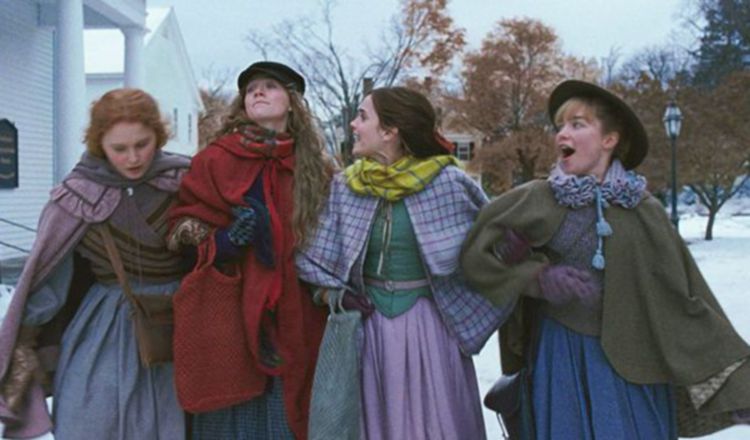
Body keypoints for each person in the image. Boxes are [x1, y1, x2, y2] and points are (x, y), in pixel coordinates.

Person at [460, 79, 750, 439]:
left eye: (577, 124)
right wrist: (537, 278)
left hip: (638, 368)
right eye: (559, 126)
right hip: (561, 359)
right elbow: (476, 257)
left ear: (609, 140)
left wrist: (736, 382)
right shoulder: (537, 199)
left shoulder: (644, 210)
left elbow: (686, 297)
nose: (562, 133)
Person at [297, 86, 508, 439]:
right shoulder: (346, 187)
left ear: (390, 131)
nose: (353, 124)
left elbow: (492, 252)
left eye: (363, 116)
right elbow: (315, 261)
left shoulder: (448, 183)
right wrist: (336, 297)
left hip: (431, 332)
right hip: (370, 333)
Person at [0, 88, 190, 439]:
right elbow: (50, 276)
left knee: (173, 420)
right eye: (119, 148)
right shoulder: (78, 196)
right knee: (92, 416)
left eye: (143, 144)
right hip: (104, 325)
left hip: (178, 322)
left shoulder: (184, 181)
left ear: (158, 137)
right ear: (99, 143)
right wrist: (26, 337)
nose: (133, 157)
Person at [168, 61, 333, 440]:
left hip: (297, 308)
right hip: (232, 308)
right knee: (232, 410)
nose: (258, 91)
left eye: (271, 86)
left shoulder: (314, 167)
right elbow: (182, 228)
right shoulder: (214, 159)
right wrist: (225, 242)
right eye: (251, 87)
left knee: (291, 407)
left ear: (292, 102)